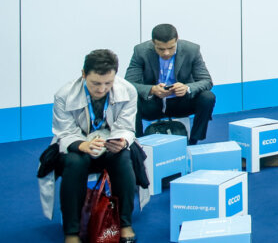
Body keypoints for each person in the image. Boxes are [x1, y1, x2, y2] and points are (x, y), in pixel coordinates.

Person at [51, 49, 139, 243]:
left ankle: (124, 223)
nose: (102, 89)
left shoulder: (128, 90)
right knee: (75, 163)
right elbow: (64, 132)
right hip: (77, 147)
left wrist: (121, 141)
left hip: (109, 146)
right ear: (84, 74)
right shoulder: (64, 95)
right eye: (96, 83)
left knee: (123, 157)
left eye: (108, 83)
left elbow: (126, 127)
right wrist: (83, 145)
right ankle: (72, 232)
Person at [125, 24, 216, 144]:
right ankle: (138, 143)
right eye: (161, 49)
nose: (166, 53)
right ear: (153, 43)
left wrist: (187, 88)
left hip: (180, 102)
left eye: (171, 48)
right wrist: (152, 90)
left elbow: (206, 81)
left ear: (177, 40)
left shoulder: (192, 50)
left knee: (208, 97)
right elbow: (129, 84)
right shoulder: (141, 51)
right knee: (131, 98)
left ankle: (194, 141)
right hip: (153, 103)